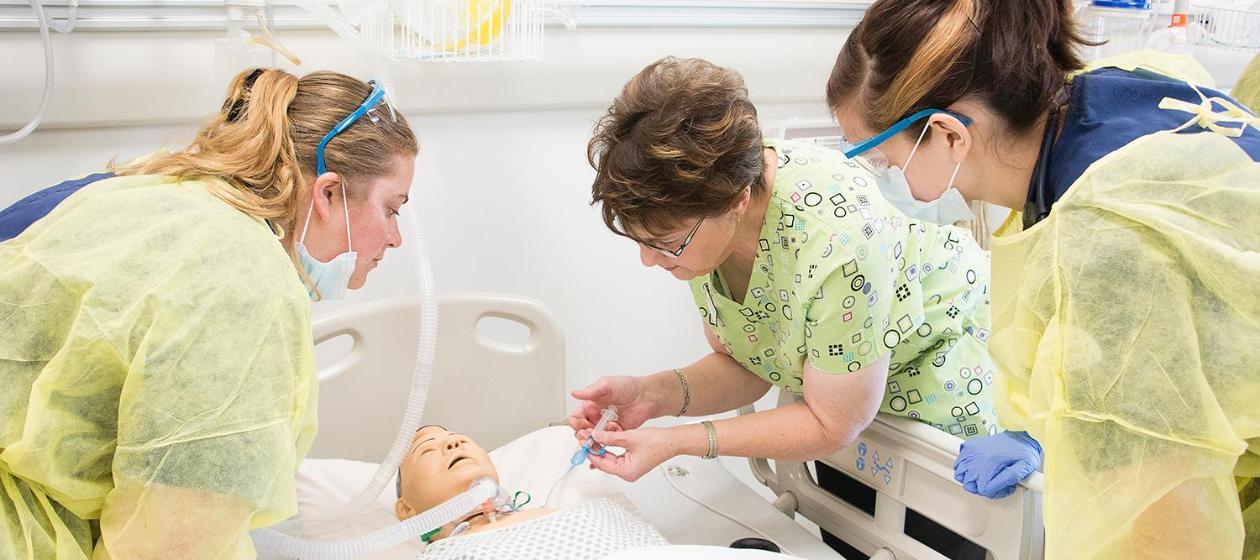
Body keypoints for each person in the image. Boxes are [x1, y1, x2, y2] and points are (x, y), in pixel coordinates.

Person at [826, 0, 1259, 557]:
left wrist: (1101, 428)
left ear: (951, 137)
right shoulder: (1113, 93)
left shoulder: (1110, 247)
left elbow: (1165, 528)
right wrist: (1049, 428)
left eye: (884, 160)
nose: (883, 177)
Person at [0, 68, 417, 559]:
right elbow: (169, 548)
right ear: (327, 194)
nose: (395, 238)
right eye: (392, 208)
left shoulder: (155, 191)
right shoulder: (241, 287)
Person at [571, 56, 997, 484]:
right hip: (849, 407)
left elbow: (833, 422)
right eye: (642, 242)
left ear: (736, 201)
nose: (649, 260)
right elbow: (746, 365)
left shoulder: (839, 243)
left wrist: (677, 441)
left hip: (944, 374)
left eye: (664, 245)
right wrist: (649, 395)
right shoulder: (701, 219)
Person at [395, 426, 667, 559]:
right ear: (407, 511)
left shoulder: (581, 512)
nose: (455, 442)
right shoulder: (445, 554)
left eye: (462, 439)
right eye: (428, 450)